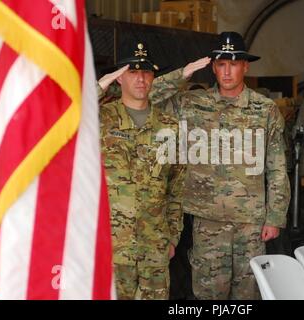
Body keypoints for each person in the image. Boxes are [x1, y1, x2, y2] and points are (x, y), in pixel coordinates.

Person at [154, 31, 291, 300]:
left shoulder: (265, 109)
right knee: (208, 294)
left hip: (250, 224)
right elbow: (146, 98)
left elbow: (277, 166)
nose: (227, 72)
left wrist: (275, 216)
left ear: (245, 66)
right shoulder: (192, 104)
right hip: (207, 222)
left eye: (233, 64)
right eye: (221, 64)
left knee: (248, 295)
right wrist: (181, 75)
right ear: (213, 67)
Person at [97, 41, 209, 299]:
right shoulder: (101, 119)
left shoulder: (169, 126)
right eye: (133, 72)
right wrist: (100, 85)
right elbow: (65, 113)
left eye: (146, 72)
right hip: (111, 247)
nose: (141, 79)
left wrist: (172, 236)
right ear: (119, 78)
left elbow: (177, 187)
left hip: (155, 247)